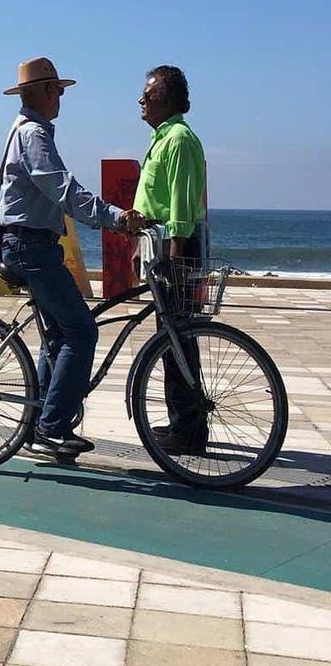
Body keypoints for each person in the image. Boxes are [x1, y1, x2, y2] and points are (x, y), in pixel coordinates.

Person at [0, 58, 142, 460]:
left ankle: (40, 424)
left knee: (61, 335)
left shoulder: (29, 131)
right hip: (30, 247)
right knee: (81, 332)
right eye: (58, 90)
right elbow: (63, 190)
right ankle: (51, 427)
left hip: (35, 244)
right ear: (44, 92)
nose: (61, 97)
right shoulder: (33, 135)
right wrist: (115, 217)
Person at [133, 65, 209, 455]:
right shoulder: (161, 138)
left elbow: (180, 203)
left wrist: (175, 259)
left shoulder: (178, 139)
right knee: (170, 337)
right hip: (160, 243)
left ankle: (190, 430)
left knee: (178, 338)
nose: (142, 99)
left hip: (175, 245)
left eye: (151, 93)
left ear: (170, 100)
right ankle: (183, 419)